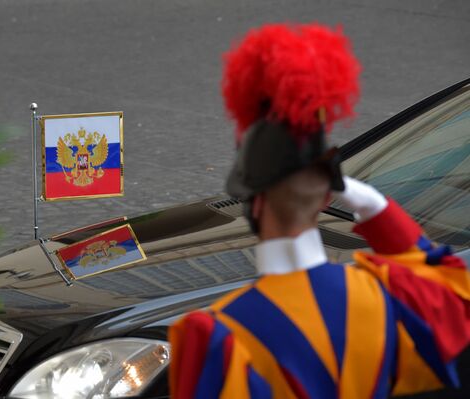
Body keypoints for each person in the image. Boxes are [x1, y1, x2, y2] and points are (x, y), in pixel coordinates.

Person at [168, 23, 470, 398]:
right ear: (328, 196)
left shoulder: (218, 333)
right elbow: (449, 285)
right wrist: (370, 202)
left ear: (252, 198)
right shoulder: (387, 296)